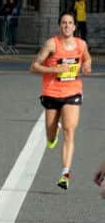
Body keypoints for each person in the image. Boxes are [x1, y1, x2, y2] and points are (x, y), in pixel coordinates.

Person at [30, 11, 91, 190]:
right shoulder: (52, 44)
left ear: (74, 26)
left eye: (70, 23)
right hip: (51, 92)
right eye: (63, 23)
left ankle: (65, 173)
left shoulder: (81, 44)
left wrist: (87, 65)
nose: (66, 26)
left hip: (72, 91)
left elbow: (87, 58)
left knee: (69, 130)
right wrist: (55, 70)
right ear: (59, 26)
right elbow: (33, 67)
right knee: (50, 134)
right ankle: (52, 133)